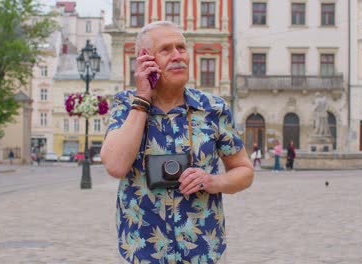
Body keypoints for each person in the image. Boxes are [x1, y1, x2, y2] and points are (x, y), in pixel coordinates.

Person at [100, 21, 254, 264]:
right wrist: (142, 98)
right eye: (166, 50)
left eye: (181, 48)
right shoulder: (125, 105)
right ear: (145, 59)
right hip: (142, 251)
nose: (177, 56)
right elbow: (116, 166)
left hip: (202, 250)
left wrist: (213, 181)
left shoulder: (213, 108)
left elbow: (244, 171)